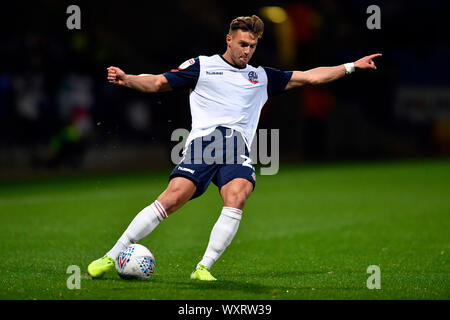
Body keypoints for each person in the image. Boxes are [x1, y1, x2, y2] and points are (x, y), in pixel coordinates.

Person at [87, 15, 381, 281]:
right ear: (229, 39)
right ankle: (110, 256)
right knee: (173, 198)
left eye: (252, 46)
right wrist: (128, 79)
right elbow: (157, 83)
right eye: (242, 44)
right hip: (205, 144)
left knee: (238, 196)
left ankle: (203, 267)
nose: (247, 51)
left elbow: (311, 76)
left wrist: (352, 66)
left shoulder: (261, 76)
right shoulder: (202, 66)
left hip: (237, 148)